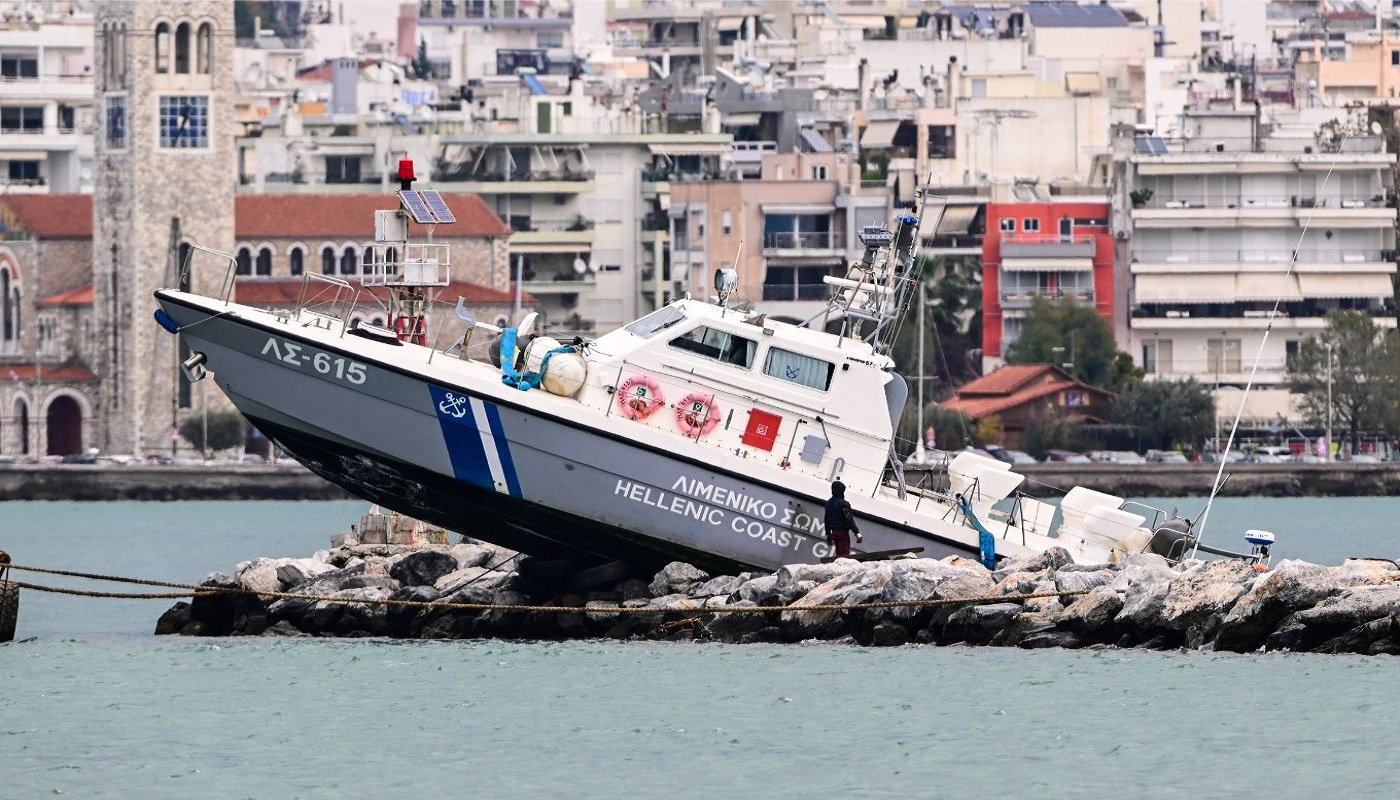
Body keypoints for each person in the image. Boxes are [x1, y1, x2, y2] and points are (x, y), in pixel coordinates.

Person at [824, 480, 863, 558]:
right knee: (844, 556)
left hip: (834, 533)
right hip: (843, 533)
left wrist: (828, 534)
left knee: (838, 555)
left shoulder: (828, 503)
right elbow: (849, 519)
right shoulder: (844, 503)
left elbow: (826, 520)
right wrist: (857, 533)